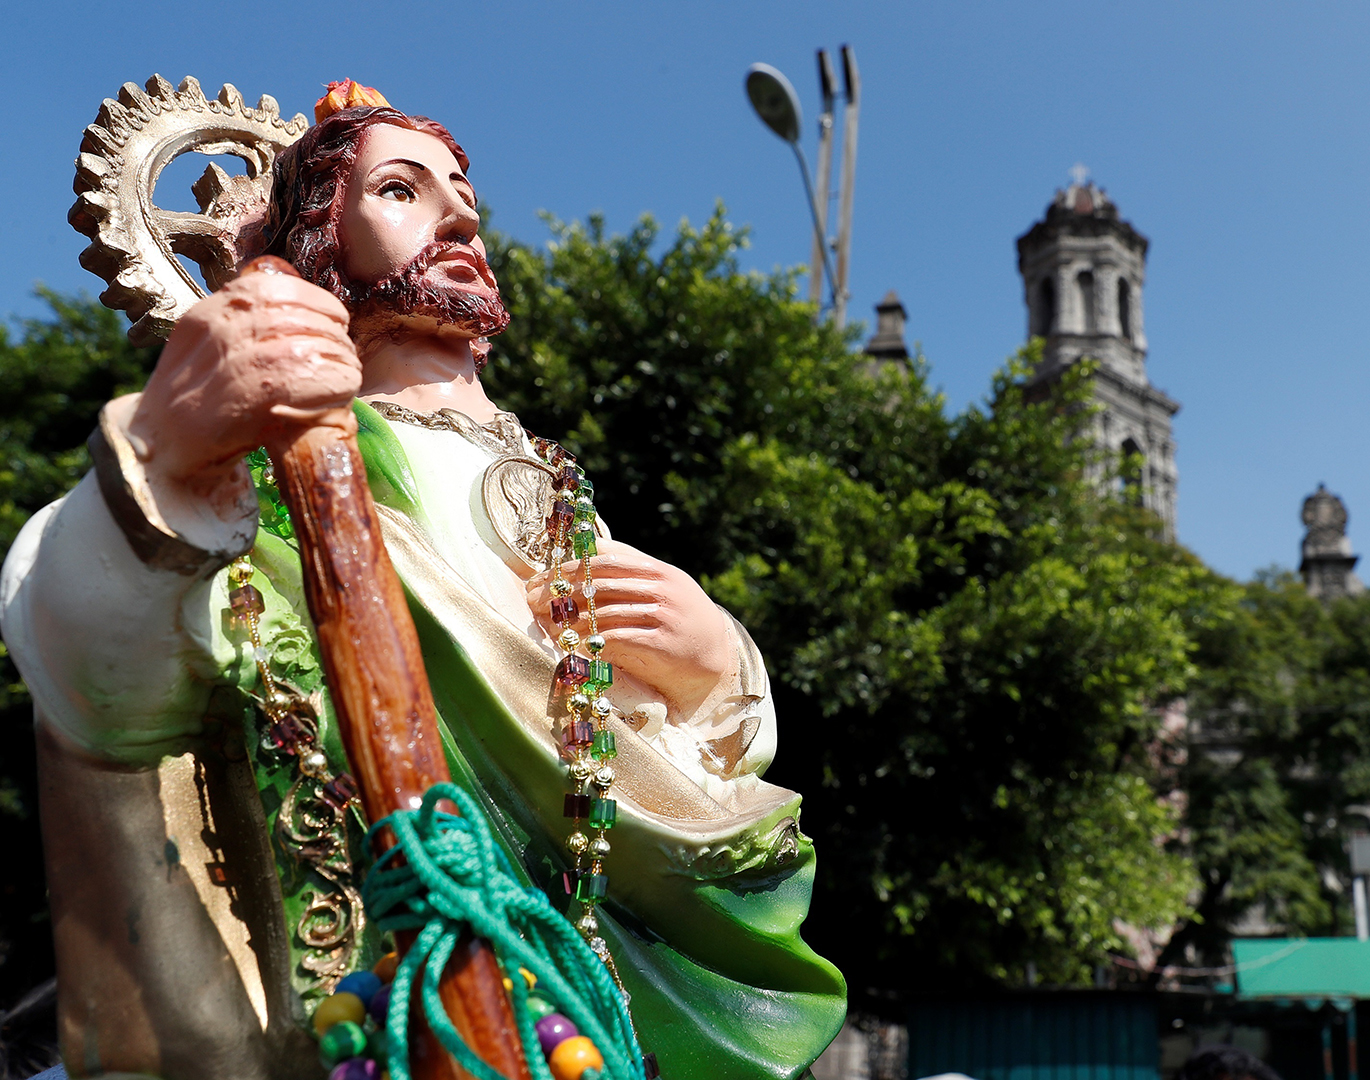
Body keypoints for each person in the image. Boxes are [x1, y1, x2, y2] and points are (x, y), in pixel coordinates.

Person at [0, 81, 844, 1079]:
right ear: (317, 240)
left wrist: (718, 666)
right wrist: (166, 454)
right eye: (403, 190)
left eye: (463, 194)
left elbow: (652, 736)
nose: (461, 214)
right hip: (367, 993)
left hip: (582, 989)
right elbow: (91, 681)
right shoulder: (266, 469)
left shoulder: (548, 480)